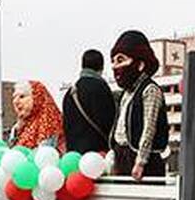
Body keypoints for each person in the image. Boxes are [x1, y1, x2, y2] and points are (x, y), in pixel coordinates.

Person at [110, 30, 169, 181]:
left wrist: (141, 161)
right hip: (122, 156)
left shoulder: (150, 90)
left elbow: (149, 128)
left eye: (121, 60)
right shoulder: (126, 93)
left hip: (141, 160)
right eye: (114, 62)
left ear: (140, 64)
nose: (115, 67)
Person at [63, 49, 117, 154]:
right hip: (98, 153)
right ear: (101, 67)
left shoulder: (70, 92)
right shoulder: (101, 88)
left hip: (74, 155)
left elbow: (66, 126)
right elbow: (110, 121)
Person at [9, 80, 65, 151]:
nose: (15, 101)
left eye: (22, 96)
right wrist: (16, 130)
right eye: (14, 97)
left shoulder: (49, 123)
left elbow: (44, 155)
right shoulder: (21, 127)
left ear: (37, 98)